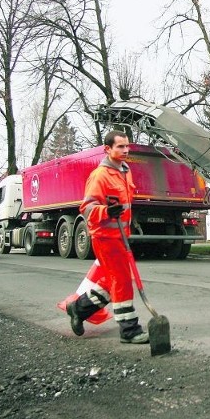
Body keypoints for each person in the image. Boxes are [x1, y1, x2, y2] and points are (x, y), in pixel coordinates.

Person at [66, 130, 149, 343]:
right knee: (121, 281)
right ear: (107, 149)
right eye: (120, 146)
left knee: (110, 281)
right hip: (105, 237)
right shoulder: (100, 175)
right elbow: (86, 208)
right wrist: (105, 211)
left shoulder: (124, 171)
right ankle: (129, 330)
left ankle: (79, 308)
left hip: (120, 236)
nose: (125, 150)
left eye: (127, 146)